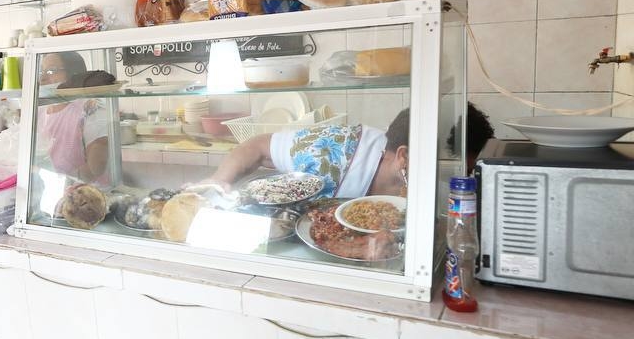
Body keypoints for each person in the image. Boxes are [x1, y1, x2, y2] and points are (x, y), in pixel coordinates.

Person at [210, 102, 496, 199]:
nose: (464, 180)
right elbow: (256, 146)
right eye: (459, 170)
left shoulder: (441, 188)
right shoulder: (335, 152)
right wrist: (218, 184)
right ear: (405, 157)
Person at [0, 50, 110, 183]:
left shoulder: (90, 110)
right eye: (41, 72)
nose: (43, 78)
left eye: (51, 71)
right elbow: (21, 165)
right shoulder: (37, 112)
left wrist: (54, 183)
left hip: (85, 198)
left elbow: (94, 170)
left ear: (74, 75)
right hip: (48, 198)